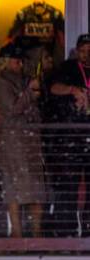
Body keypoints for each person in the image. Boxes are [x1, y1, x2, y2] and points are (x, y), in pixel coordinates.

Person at [0, 42, 46, 237]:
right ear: (6, 61)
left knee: (36, 189)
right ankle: (17, 233)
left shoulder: (25, 78)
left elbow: (33, 108)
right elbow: (12, 109)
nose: (20, 64)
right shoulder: (1, 81)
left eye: (21, 60)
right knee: (14, 188)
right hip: (14, 142)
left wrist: (35, 94)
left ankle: (37, 233)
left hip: (31, 141)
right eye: (16, 60)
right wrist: (29, 94)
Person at [47, 33, 90, 236]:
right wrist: (74, 90)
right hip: (71, 137)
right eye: (82, 51)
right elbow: (53, 88)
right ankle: (66, 232)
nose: (86, 55)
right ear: (76, 51)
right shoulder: (68, 68)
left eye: (89, 51)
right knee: (69, 185)